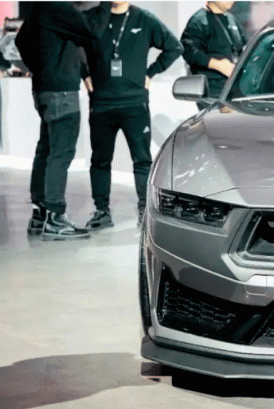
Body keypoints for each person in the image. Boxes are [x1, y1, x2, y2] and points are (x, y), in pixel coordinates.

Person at [81, 1, 183, 229]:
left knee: (142, 159)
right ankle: (101, 211)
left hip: (134, 103)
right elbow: (73, 45)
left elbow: (174, 47)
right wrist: (84, 75)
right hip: (101, 103)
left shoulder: (144, 19)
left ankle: (145, 210)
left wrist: (151, 73)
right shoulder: (92, 17)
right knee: (100, 160)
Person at [15, 2, 110, 241]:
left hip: (44, 88)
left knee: (46, 150)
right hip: (62, 92)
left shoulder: (39, 8)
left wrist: (40, 68)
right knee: (60, 153)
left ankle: (40, 214)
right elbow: (92, 29)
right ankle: (55, 217)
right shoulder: (58, 6)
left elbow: (20, 40)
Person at [181, 1, 247, 110]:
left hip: (234, 89)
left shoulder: (231, 19)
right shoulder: (199, 20)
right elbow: (188, 51)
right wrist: (217, 64)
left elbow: (243, 45)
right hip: (212, 92)